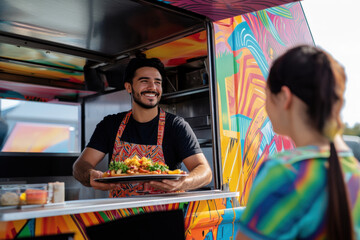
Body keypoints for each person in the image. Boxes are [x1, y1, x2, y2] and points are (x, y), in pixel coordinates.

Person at [236, 45, 360, 240]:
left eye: (266, 94)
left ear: (285, 97)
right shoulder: (355, 173)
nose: (265, 105)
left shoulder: (282, 173)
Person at [73, 57, 212, 197]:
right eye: (144, 81)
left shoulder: (176, 126)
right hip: (121, 214)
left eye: (157, 82)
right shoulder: (110, 124)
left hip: (165, 214)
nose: (152, 87)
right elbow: (80, 165)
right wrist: (90, 175)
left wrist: (184, 182)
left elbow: (205, 171)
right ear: (128, 87)